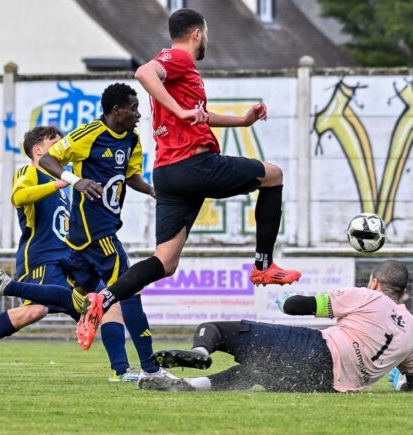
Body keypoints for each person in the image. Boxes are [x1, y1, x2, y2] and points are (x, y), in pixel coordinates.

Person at [74, 8, 301, 349]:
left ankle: (102, 299)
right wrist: (181, 111)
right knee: (273, 175)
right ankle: (263, 265)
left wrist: (242, 121)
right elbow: (143, 72)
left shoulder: (180, 75)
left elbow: (199, 116)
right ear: (198, 33)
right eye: (206, 34)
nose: (206, 39)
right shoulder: (178, 58)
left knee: (165, 262)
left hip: (168, 173)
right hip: (194, 165)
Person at [38, 83, 171, 381]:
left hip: (85, 236)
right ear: (116, 110)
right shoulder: (89, 134)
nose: (138, 115)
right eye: (133, 109)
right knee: (130, 289)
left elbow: (131, 176)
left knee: (83, 293)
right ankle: (151, 368)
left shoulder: (132, 139)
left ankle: (16, 289)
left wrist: (152, 190)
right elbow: (47, 159)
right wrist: (76, 180)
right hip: (96, 230)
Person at [138, 260, 413, 393]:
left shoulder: (368, 296)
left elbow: (295, 306)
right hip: (329, 385)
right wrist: (400, 384)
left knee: (215, 329)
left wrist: (283, 296)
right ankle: (188, 386)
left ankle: (200, 352)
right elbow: (411, 384)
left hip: (317, 351)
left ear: (374, 282)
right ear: (403, 293)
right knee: (256, 369)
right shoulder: (411, 328)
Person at [0, 126, 81, 355]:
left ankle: (124, 364)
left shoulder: (62, 187)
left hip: (66, 258)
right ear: (38, 150)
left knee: (35, 311)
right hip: (42, 257)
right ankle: (123, 367)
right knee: (86, 304)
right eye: (55, 144)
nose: (61, 149)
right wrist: (56, 184)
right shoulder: (31, 172)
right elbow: (18, 196)